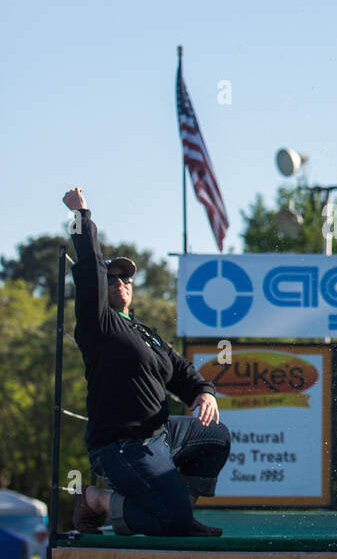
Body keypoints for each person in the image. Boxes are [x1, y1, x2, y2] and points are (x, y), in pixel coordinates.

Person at [62, 186, 231, 537]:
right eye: (112, 278)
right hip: (121, 444)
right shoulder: (99, 324)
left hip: (161, 436)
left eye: (126, 277)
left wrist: (204, 392)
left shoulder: (143, 331)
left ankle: (178, 505)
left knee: (215, 435)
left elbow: (181, 372)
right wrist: (82, 217)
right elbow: (90, 265)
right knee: (172, 523)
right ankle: (96, 500)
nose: (120, 282)